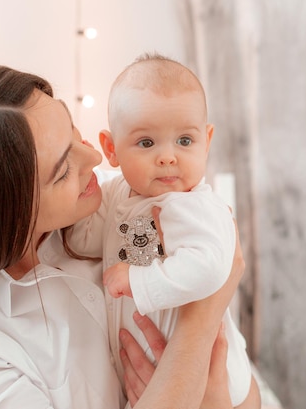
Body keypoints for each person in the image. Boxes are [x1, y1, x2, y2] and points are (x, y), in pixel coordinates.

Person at [0, 64, 249, 409]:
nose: (94, 157)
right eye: (62, 170)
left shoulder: (114, 204)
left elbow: (246, 395)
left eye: (73, 130)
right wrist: (200, 321)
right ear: (1, 216)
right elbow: (212, 290)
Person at [68, 53, 258, 407]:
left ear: (207, 139)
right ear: (111, 149)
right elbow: (85, 238)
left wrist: (138, 281)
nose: (168, 157)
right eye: (146, 143)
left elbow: (210, 267)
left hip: (210, 378)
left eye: (185, 141)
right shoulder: (116, 193)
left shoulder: (193, 205)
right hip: (155, 374)